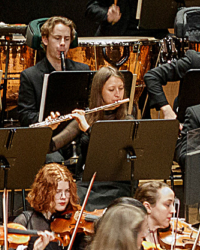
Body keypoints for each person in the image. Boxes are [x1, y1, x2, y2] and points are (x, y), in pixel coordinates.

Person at [41, 66, 134, 206]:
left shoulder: (128, 121)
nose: (117, 94)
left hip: (117, 185)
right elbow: (51, 147)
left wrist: (88, 129)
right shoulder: (87, 117)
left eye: (121, 89)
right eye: (111, 90)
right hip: (88, 184)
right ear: (99, 92)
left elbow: (112, 152)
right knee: (72, 200)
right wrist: (48, 130)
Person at [17, 16, 90, 128]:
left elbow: (89, 106)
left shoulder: (83, 70)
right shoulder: (30, 76)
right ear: (45, 40)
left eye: (67, 39)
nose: (62, 43)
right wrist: (46, 120)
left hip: (77, 131)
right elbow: (25, 116)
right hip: (46, 134)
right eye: (57, 38)